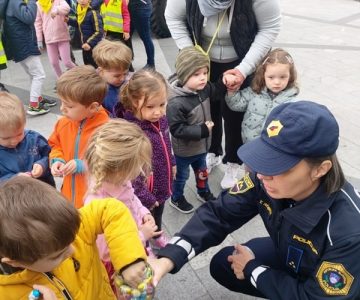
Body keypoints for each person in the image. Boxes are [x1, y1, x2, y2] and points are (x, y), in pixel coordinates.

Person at [149, 100, 360, 299]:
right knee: (225, 264)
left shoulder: (349, 233)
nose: (261, 174)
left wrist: (253, 269)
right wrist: (168, 258)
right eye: (266, 158)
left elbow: (315, 297)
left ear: (320, 169)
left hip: (337, 277)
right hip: (293, 251)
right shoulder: (266, 179)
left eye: (279, 165)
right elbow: (218, 213)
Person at [165, 0, 282, 189]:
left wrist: (244, 69)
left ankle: (233, 162)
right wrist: (191, 55)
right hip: (203, 63)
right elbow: (173, 17)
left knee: (235, 115)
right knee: (206, 109)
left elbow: (270, 27)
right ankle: (213, 151)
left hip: (243, 60)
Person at [0, 176, 148, 300]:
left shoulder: (69, 229)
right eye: (57, 255)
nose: (71, 250)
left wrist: (129, 260)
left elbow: (111, 209)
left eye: (71, 241)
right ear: (15, 262)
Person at [84, 119, 168, 295]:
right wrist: (141, 235)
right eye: (138, 164)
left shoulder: (120, 181)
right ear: (118, 169)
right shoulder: (97, 203)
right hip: (120, 267)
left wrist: (144, 212)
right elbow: (105, 251)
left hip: (136, 245)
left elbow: (133, 199)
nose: (142, 169)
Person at [116, 69, 175, 244]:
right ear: (134, 102)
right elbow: (129, 173)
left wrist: (172, 162)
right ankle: (145, 244)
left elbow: (167, 141)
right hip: (142, 193)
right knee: (143, 219)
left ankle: (157, 235)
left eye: (162, 105)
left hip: (161, 182)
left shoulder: (160, 120)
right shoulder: (130, 131)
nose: (158, 112)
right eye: (150, 107)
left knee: (159, 212)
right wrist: (146, 196)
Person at [167, 46, 220, 214]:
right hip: (184, 151)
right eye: (196, 74)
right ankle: (176, 197)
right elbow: (177, 129)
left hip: (202, 147)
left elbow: (216, 92)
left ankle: (203, 191)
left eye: (205, 73)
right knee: (181, 177)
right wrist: (202, 130)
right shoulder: (176, 102)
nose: (203, 78)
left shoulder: (203, 88)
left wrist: (225, 83)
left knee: (202, 171)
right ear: (184, 75)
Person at [48, 65, 109, 208]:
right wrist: (57, 159)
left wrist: (83, 165)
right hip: (69, 195)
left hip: (95, 200)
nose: (62, 108)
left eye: (68, 105)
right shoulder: (63, 123)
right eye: (62, 102)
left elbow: (111, 161)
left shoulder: (106, 129)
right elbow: (55, 144)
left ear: (93, 107)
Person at [224, 48, 299, 143]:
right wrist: (232, 90)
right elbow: (236, 104)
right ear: (263, 75)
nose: (277, 82)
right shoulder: (254, 92)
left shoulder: (292, 101)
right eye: (271, 77)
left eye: (283, 77)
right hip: (250, 145)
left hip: (274, 147)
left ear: (290, 76)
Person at [2, 0, 57, 116]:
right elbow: (29, 17)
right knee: (39, 74)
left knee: (33, 74)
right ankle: (34, 106)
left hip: (19, 44)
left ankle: (38, 99)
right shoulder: (15, 1)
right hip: (24, 44)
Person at [0, 92, 55, 186]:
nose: (14, 141)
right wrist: (13, 179)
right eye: (6, 138)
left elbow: (51, 155)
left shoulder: (34, 139)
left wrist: (42, 165)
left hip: (44, 191)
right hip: (13, 198)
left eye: (19, 134)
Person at [35, 0, 76, 78]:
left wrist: (56, 10)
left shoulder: (59, 0)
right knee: (54, 63)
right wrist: (39, 40)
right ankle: (61, 80)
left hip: (62, 36)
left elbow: (67, 8)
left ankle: (81, 75)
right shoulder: (38, 4)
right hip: (49, 38)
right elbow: (38, 23)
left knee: (67, 62)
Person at [92, 39, 133, 117]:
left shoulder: (127, 83)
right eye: (117, 76)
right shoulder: (97, 91)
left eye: (125, 74)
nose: (122, 78)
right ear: (101, 71)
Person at [67, 0, 103, 68]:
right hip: (85, 46)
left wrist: (89, 43)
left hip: (94, 46)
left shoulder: (93, 11)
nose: (82, 1)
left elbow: (99, 31)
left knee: (96, 68)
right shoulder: (80, 10)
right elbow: (80, 25)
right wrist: (69, 21)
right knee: (88, 67)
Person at [128, 0, 155, 69]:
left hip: (140, 7)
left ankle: (151, 64)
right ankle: (128, 62)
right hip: (134, 7)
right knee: (127, 36)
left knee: (146, 37)